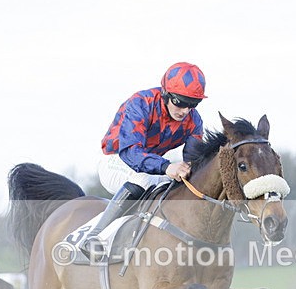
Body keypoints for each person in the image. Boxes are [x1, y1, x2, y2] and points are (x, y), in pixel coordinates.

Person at [80, 61, 207, 259]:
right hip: (116, 160)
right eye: (179, 102)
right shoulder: (141, 103)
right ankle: (94, 237)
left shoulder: (194, 120)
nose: (184, 110)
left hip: (151, 167)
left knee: (177, 187)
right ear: (165, 93)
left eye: (192, 104)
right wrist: (166, 167)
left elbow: (192, 159)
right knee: (144, 180)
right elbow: (131, 152)